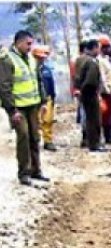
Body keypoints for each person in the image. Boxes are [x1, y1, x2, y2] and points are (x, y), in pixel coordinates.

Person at [0, 30, 50, 185]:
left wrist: (43, 101)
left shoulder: (31, 59)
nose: (30, 47)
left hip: (33, 105)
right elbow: (4, 86)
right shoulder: (7, 60)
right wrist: (11, 110)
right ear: (18, 42)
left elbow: (38, 81)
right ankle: (24, 173)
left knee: (35, 137)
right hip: (18, 108)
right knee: (24, 137)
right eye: (28, 44)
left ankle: (36, 170)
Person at [74, 39, 109, 152]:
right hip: (90, 93)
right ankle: (95, 144)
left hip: (83, 93)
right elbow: (91, 80)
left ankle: (91, 142)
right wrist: (94, 92)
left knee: (89, 119)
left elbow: (77, 77)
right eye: (98, 48)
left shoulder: (80, 59)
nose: (99, 50)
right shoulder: (92, 62)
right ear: (94, 48)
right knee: (94, 119)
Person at [32, 45, 57, 152]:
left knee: (48, 120)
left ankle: (48, 141)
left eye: (43, 57)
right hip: (34, 99)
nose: (41, 59)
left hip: (47, 98)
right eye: (39, 57)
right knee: (35, 121)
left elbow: (51, 83)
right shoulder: (31, 69)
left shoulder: (47, 69)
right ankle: (35, 141)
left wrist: (53, 96)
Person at [98, 35, 111, 144]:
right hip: (108, 91)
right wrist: (106, 90)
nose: (110, 49)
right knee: (107, 115)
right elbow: (102, 77)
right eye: (108, 47)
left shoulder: (105, 59)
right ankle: (108, 136)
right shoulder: (100, 61)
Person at [71, 41, 87, 148]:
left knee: (84, 112)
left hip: (80, 89)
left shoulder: (77, 60)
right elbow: (74, 77)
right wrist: (76, 89)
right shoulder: (78, 61)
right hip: (82, 90)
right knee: (85, 113)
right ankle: (85, 136)